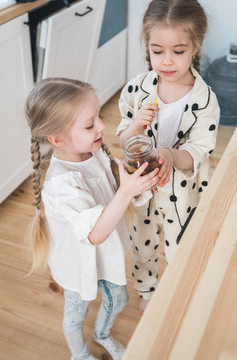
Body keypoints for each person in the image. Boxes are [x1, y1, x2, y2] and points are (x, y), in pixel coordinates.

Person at [25, 78, 159, 360]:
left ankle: (101, 334)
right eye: (90, 124)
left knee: (118, 300)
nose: (101, 126)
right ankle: (80, 354)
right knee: (75, 315)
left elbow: (113, 193)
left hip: (105, 255)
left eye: (98, 116)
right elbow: (94, 234)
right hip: (76, 262)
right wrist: (127, 191)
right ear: (57, 139)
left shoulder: (92, 152)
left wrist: (135, 187)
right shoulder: (62, 185)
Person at [117, 0, 220, 314]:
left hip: (183, 193)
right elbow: (123, 137)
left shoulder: (205, 100)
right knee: (142, 244)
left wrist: (172, 157)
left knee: (181, 246)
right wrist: (136, 125)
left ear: (195, 47)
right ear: (146, 46)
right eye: (157, 50)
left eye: (178, 50)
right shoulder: (136, 89)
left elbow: (201, 149)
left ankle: (177, 289)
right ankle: (147, 290)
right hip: (141, 187)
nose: (166, 61)